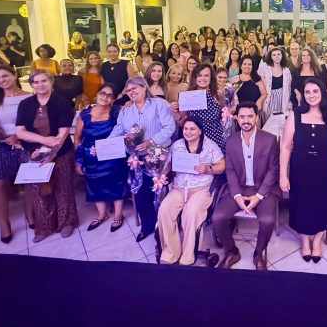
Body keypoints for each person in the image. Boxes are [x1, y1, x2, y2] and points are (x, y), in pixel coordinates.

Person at [280, 78, 327, 263]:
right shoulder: (295, 116)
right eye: (307, 92)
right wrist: (283, 175)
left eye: (315, 91)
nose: (311, 95)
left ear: (322, 93)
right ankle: (304, 240)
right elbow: (285, 147)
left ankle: (317, 240)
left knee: (323, 204)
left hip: (325, 170)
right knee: (301, 204)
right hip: (300, 169)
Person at [214, 103, 280, 270]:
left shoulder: (270, 139)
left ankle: (258, 254)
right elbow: (229, 170)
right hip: (240, 189)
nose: (246, 120)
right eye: (242, 117)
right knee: (218, 217)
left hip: (263, 189)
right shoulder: (231, 141)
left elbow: (274, 170)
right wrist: (237, 195)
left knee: (267, 220)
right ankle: (232, 251)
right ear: (237, 118)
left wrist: (258, 196)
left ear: (256, 118)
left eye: (250, 116)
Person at [109, 76, 176, 242]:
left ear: (144, 87)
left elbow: (169, 127)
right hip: (136, 159)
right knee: (139, 192)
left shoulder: (160, 104)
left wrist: (151, 142)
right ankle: (148, 225)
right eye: (128, 90)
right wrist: (104, 145)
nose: (131, 92)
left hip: (159, 156)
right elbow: (118, 130)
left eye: (134, 88)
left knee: (160, 192)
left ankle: (164, 225)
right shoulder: (125, 111)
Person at [16, 70, 79, 242]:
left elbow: (63, 133)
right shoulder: (25, 104)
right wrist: (42, 142)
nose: (40, 85)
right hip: (34, 153)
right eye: (36, 82)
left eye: (44, 81)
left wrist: (50, 152)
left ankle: (67, 222)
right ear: (31, 85)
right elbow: (20, 131)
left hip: (61, 151)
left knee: (63, 188)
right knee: (39, 191)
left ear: (51, 82)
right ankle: (44, 227)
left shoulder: (63, 103)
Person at [157, 118, 225, 265]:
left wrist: (208, 168)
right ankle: (170, 253)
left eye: (192, 129)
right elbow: (169, 164)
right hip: (179, 188)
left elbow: (222, 165)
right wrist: (161, 175)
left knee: (191, 212)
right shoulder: (177, 145)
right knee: (164, 210)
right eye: (185, 129)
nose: (188, 132)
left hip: (201, 188)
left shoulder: (210, 145)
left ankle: (188, 255)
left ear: (200, 131)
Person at [0, 65, 32, 242]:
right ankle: (4, 225)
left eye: (5, 76)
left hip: (25, 143)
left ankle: (31, 215)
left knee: (29, 181)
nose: (2, 80)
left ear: (14, 74)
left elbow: (36, 121)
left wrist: (18, 136)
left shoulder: (29, 96)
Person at [74, 83, 129, 233]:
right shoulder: (84, 115)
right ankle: (102, 214)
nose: (105, 97)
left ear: (113, 99)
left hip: (113, 156)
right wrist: (78, 161)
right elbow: (77, 139)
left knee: (117, 183)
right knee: (94, 184)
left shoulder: (118, 113)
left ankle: (118, 215)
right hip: (91, 156)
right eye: (102, 93)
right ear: (97, 94)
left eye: (109, 95)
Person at [258, 47, 293, 137]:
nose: (276, 57)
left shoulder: (286, 70)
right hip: (269, 98)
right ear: (271, 57)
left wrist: (289, 103)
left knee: (281, 124)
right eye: (274, 55)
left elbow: (289, 88)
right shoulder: (265, 69)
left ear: (282, 56)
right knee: (268, 124)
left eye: (278, 54)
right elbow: (261, 85)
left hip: (282, 98)